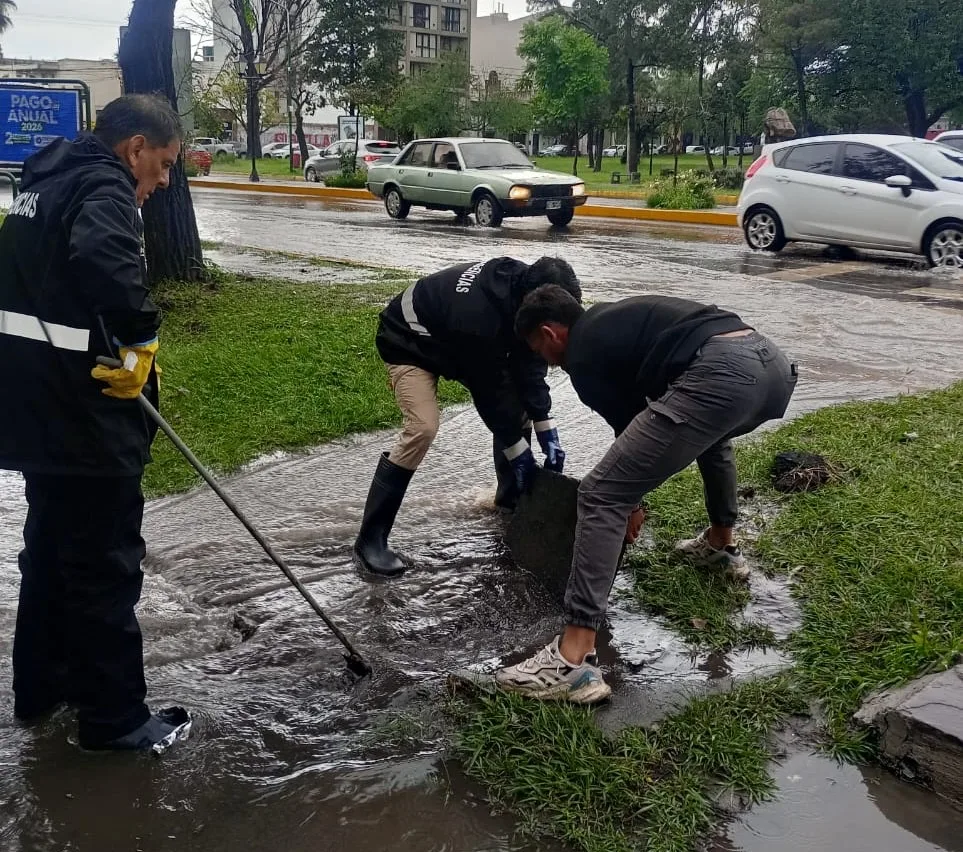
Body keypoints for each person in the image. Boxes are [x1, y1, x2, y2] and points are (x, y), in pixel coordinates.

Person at [495, 287, 798, 703]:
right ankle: (721, 548)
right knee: (714, 438)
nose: (546, 362)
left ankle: (571, 659)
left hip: (723, 373)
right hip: (772, 366)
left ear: (550, 334)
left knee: (600, 494)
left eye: (538, 350)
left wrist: (631, 504)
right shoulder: (610, 320)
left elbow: (630, 426)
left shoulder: (581, 355)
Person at [0, 94, 188, 749]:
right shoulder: (103, 187)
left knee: (51, 555)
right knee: (106, 566)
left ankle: (43, 688)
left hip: (33, 408)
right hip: (82, 415)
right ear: (135, 148)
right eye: (162, 165)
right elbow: (105, 259)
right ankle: (115, 721)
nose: (163, 181)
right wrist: (141, 341)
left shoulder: (46, 179)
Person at [356, 256, 582, 578]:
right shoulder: (478, 318)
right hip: (408, 338)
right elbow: (490, 392)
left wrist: (545, 424)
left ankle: (511, 503)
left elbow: (530, 362)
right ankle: (370, 540)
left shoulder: (526, 293)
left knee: (519, 411)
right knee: (423, 426)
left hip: (454, 340)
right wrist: (520, 453)